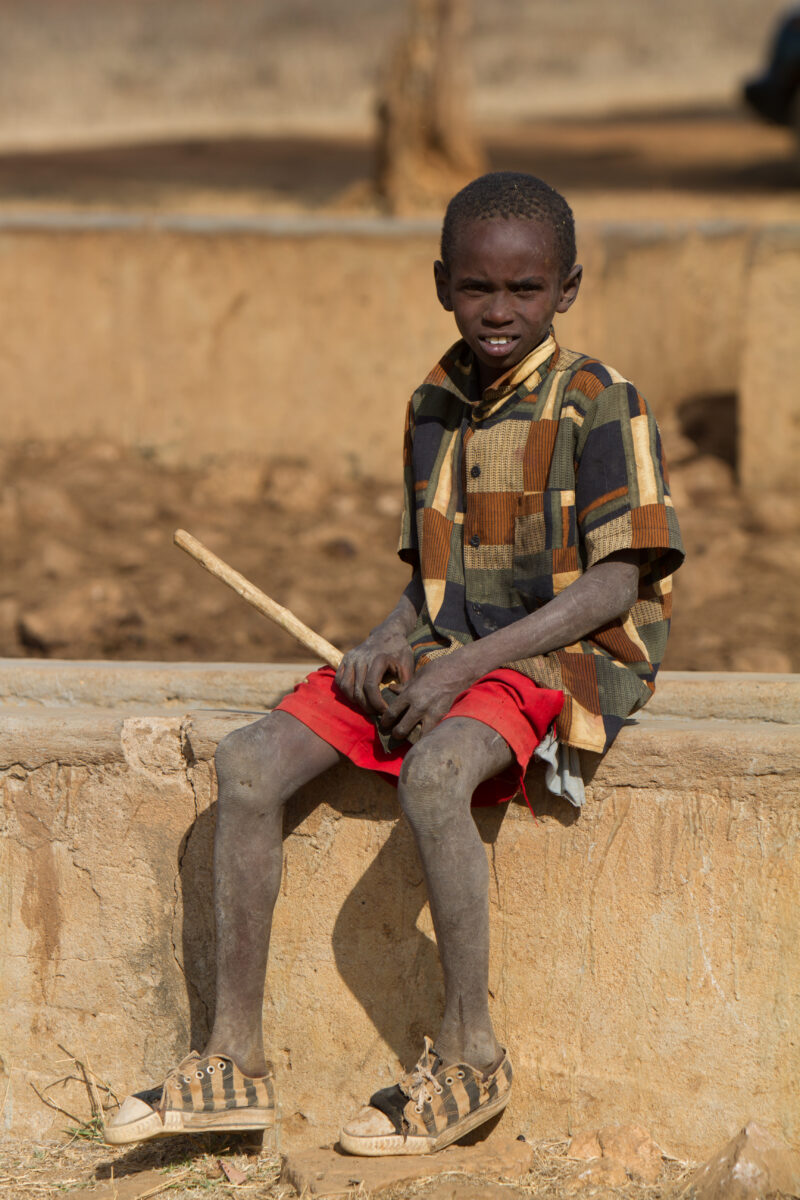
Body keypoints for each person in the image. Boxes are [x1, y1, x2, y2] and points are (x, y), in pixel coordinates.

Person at [105, 171, 684, 1156]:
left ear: (568, 288)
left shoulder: (599, 402)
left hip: (563, 655)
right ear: (441, 283)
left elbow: (614, 585)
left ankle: (470, 1055)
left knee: (436, 772)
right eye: (477, 288)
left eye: (525, 290)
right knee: (247, 763)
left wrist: (462, 670)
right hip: (452, 646)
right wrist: (383, 641)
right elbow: (430, 583)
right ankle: (232, 1059)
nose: (498, 311)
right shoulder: (432, 404)